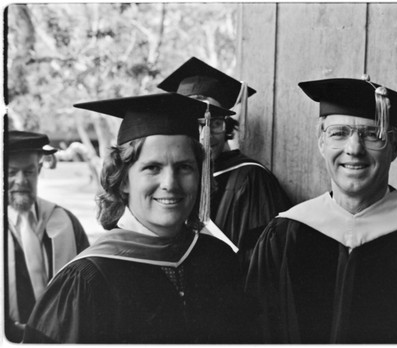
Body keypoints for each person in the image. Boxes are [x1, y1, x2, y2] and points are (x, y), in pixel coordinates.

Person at [245, 76, 397, 343]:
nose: (353, 149)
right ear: (321, 142)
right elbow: (257, 333)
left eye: (371, 135)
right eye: (339, 133)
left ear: (395, 146)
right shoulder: (284, 234)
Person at [23, 92, 249, 343]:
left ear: (200, 176)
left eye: (184, 167)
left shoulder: (219, 258)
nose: (170, 184)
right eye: (152, 168)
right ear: (124, 180)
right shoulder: (86, 278)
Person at [158, 57, 291, 269]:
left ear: (226, 127)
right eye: (193, 124)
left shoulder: (250, 178)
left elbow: (266, 260)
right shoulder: (168, 180)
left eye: (213, 124)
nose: (204, 136)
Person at [5, 130, 89, 343]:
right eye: (11, 172)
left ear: (39, 169)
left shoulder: (65, 222)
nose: (21, 181)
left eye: (29, 171)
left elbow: (88, 289)